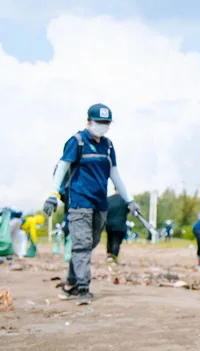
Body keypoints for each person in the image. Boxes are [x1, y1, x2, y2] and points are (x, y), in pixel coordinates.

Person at [43, 104, 140, 304]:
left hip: (100, 203)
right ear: (89, 121)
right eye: (99, 122)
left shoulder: (108, 146)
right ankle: (82, 288)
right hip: (79, 201)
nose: (102, 126)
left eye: (106, 123)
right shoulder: (77, 141)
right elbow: (62, 166)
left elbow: (114, 173)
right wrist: (53, 194)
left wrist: (129, 199)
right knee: (81, 244)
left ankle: (69, 283)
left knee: (90, 243)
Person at [105, 188, 130, 263]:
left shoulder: (108, 199)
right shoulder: (125, 200)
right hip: (120, 224)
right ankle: (114, 257)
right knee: (116, 241)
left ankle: (109, 256)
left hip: (109, 224)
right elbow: (129, 210)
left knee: (110, 240)